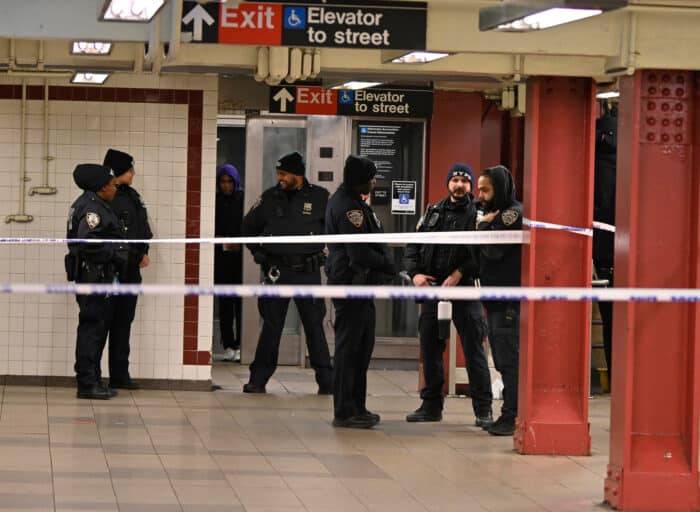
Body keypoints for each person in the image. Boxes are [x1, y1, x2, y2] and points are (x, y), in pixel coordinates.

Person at [404, 163, 493, 427]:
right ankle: (431, 406)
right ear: (448, 183)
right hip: (433, 292)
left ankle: (483, 410)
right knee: (431, 349)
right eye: (455, 180)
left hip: (464, 289)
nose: (459, 185)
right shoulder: (432, 212)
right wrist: (416, 275)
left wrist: (457, 274)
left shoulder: (479, 215)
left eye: (464, 181)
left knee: (474, 349)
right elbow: (412, 246)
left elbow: (481, 253)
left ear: (471, 186)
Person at [241, 152, 333, 394]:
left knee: (314, 327)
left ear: (297, 174)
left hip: (308, 272)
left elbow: (335, 230)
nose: (279, 178)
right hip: (277, 272)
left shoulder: (320, 197)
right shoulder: (270, 198)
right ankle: (258, 379)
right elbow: (247, 228)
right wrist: (258, 252)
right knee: (271, 327)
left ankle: (327, 381)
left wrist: (329, 254)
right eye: (278, 173)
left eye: (284, 174)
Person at [325, 155, 397, 429]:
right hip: (351, 286)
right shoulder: (348, 207)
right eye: (371, 178)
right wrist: (387, 264)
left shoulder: (356, 203)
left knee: (362, 347)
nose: (373, 182)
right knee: (349, 349)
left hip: (361, 287)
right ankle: (344, 411)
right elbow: (359, 252)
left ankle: (357, 406)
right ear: (360, 179)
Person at [66, 164, 127, 400]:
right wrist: (114, 253)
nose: (115, 189)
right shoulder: (92, 209)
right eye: (112, 185)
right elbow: (88, 243)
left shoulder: (92, 203)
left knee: (96, 328)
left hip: (99, 276)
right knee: (92, 329)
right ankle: (87, 383)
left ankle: (94, 379)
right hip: (95, 276)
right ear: (101, 187)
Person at [475, 165, 523, 436]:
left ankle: (512, 414)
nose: (479, 195)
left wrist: (483, 226)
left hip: (507, 302)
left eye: (485, 190)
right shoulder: (493, 214)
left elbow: (492, 249)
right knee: (501, 358)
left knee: (508, 359)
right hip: (494, 300)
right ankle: (510, 411)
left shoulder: (511, 214)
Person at [102, 149, 153, 390]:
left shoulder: (133, 196)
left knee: (124, 323)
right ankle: (92, 376)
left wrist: (143, 252)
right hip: (112, 270)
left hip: (131, 269)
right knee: (103, 323)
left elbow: (141, 228)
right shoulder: (106, 197)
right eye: (130, 169)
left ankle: (119, 374)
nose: (134, 173)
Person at [593, 108, 617, 385]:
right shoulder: (632, 159)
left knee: (609, 314)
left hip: (603, 250)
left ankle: (613, 375)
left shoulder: (597, 162)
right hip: (627, 248)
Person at [215, 163, 244, 363]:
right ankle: (228, 344)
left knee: (240, 304)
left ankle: (242, 344)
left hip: (241, 261)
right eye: (223, 182)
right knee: (225, 303)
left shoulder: (242, 200)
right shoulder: (215, 202)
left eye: (229, 182)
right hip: (222, 259)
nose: (226, 186)